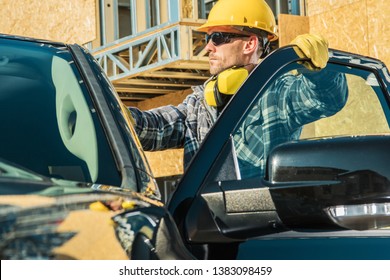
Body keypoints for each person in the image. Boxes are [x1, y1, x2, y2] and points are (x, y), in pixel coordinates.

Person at [129, 0, 347, 177]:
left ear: (249, 44)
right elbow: (151, 128)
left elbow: (327, 98)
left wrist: (320, 72)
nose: (207, 47)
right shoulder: (198, 106)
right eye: (207, 38)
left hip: (259, 224)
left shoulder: (277, 94)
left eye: (217, 37)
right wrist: (106, 112)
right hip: (204, 225)